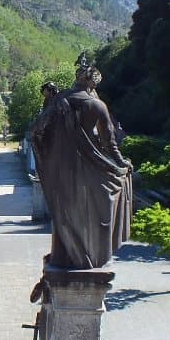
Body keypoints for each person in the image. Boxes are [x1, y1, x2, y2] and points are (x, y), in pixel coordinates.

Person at [30, 53, 132, 269]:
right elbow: (110, 144)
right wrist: (122, 164)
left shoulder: (59, 100)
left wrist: (47, 153)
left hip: (61, 168)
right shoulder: (97, 106)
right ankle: (91, 256)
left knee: (64, 213)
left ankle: (64, 257)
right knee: (95, 210)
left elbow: (36, 130)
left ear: (77, 79)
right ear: (92, 84)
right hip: (89, 169)